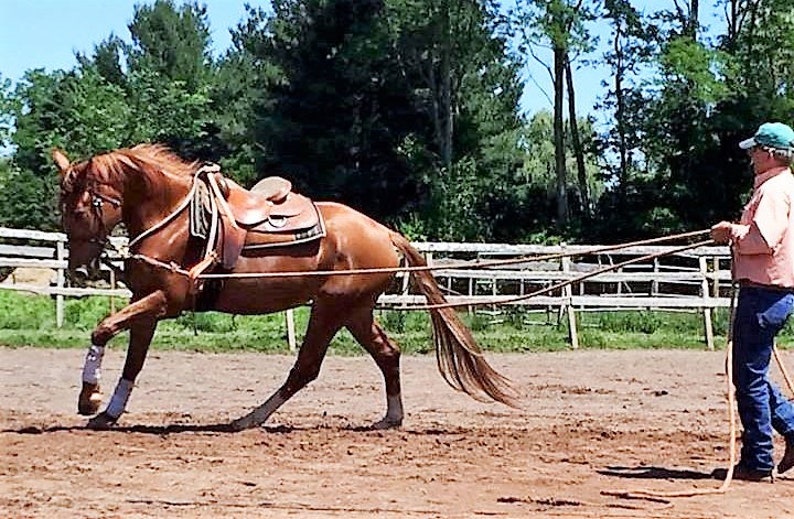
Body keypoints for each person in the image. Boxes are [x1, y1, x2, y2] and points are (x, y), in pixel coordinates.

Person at [711, 122, 794, 481]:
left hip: (764, 293)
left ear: (770, 154)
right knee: (748, 373)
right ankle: (788, 431)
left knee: (748, 377)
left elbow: (763, 240)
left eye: (755, 150)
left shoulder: (773, 191)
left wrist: (731, 233)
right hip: (771, 293)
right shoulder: (784, 187)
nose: (751, 157)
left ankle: (759, 460)